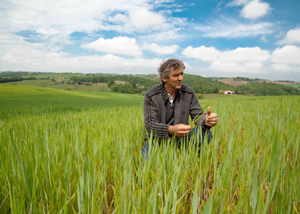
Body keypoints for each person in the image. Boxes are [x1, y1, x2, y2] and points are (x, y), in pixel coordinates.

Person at [143, 59, 218, 155]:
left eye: (182, 74)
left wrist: (206, 121)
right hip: (157, 140)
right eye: (176, 75)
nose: (180, 78)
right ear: (164, 78)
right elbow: (150, 125)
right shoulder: (152, 95)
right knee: (145, 165)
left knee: (206, 134)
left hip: (182, 138)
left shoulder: (188, 93)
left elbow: (198, 116)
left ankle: (194, 159)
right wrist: (171, 129)